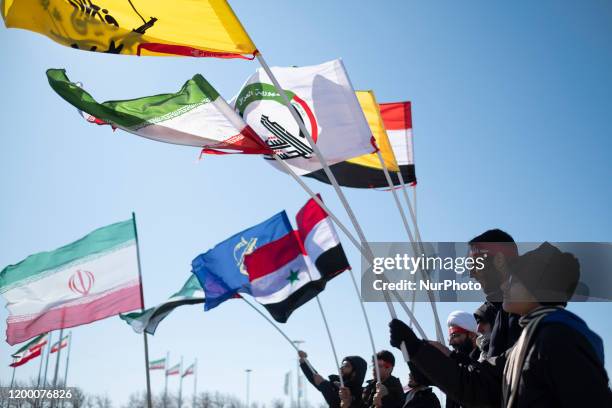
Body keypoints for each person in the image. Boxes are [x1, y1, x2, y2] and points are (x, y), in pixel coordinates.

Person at [389, 242, 612, 407]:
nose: (505, 285)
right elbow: (478, 385)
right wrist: (420, 350)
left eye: (514, 280)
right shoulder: (528, 343)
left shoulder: (559, 339)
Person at [468, 229, 522, 357]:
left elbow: (496, 374)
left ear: (499, 260)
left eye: (476, 264)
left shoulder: (524, 309)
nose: (471, 273)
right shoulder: (503, 309)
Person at [298, 350, 367, 408]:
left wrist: (324, 385)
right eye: (341, 365)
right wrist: (304, 362)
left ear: (355, 372)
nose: (341, 368)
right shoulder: (335, 385)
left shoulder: (363, 393)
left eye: (346, 366)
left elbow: (336, 404)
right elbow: (315, 378)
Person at [445, 311, 479, 408]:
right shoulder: (455, 366)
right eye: (450, 337)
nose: (451, 343)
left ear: (472, 335)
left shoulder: (484, 363)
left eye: (455, 336)